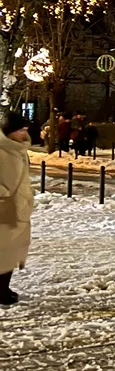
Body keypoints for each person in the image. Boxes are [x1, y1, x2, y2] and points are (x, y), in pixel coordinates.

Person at [0, 113, 35, 307]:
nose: (25, 133)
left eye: (26, 129)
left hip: (17, 206)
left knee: (12, 250)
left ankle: (4, 287)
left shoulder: (19, 151)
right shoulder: (2, 150)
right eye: (22, 129)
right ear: (10, 131)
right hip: (4, 206)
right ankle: (1, 290)